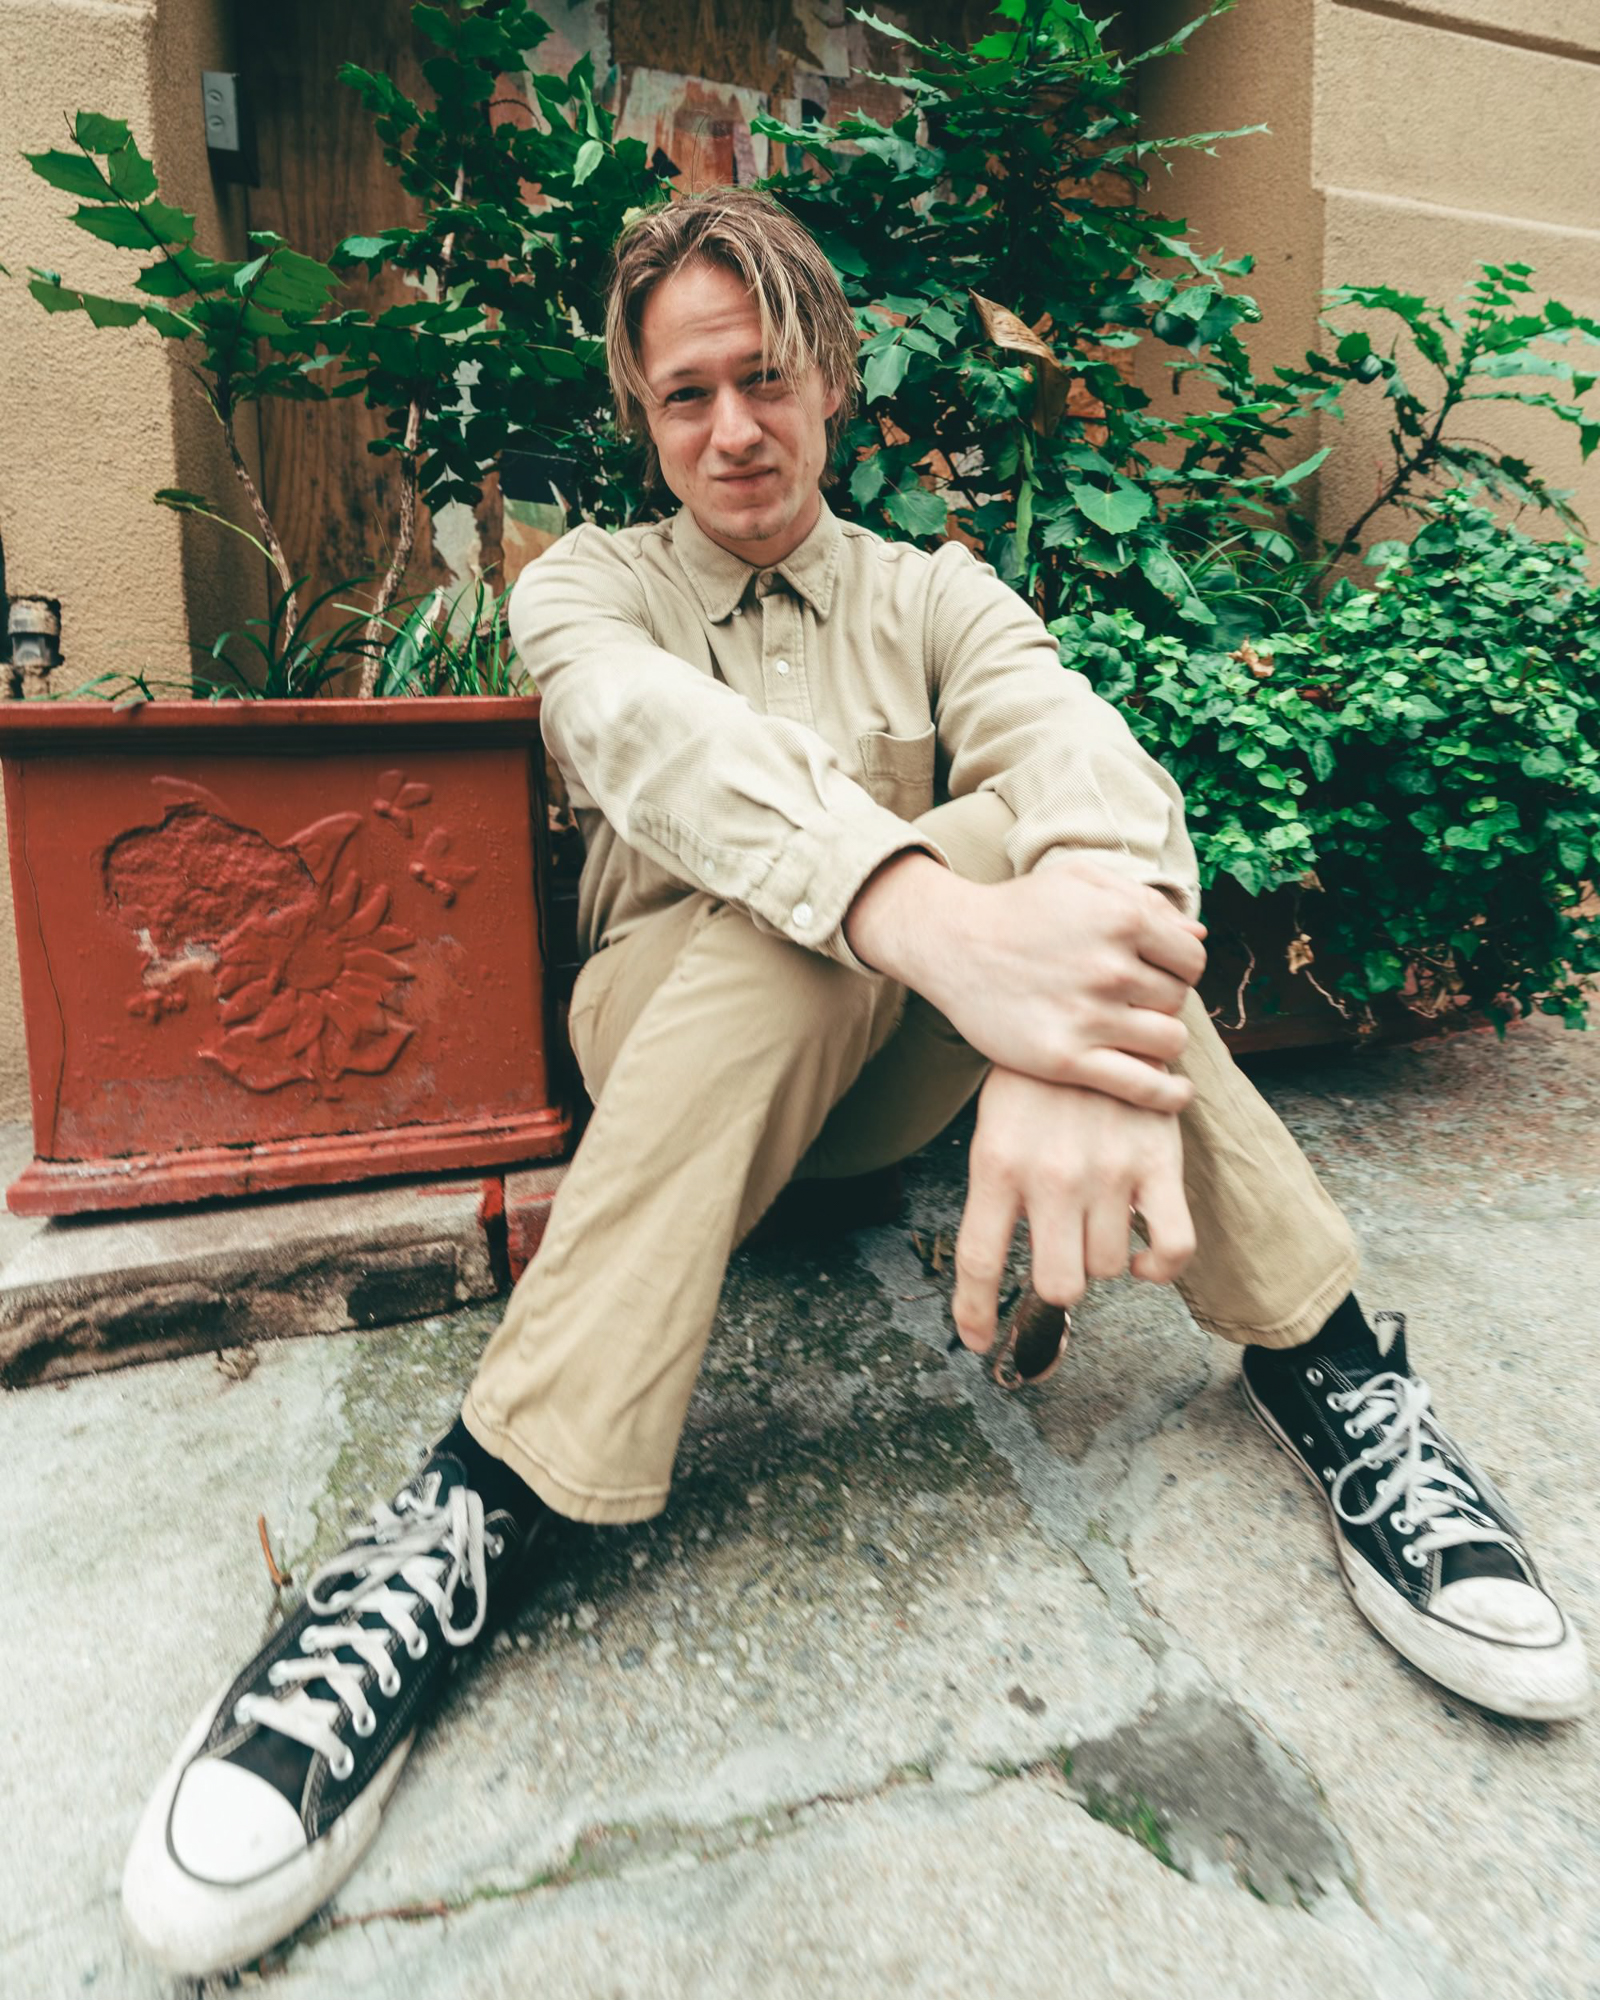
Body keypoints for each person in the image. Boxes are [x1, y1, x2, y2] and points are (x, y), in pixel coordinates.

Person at [121, 188, 1590, 1978]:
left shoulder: (936, 593)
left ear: (832, 377)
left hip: (881, 1092)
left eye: (765, 377)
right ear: (644, 415)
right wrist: (955, 926)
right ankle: (485, 1503)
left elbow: (1085, 755)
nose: (731, 427)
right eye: (685, 394)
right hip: (670, 1056)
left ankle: (1333, 1377)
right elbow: (663, 747)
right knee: (837, 909)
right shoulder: (587, 588)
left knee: (1055, 863)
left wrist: (1053, 1032)